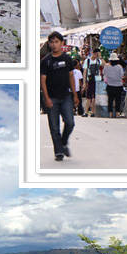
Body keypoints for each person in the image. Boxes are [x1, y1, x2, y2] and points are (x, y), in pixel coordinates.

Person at [40, 32, 79, 162]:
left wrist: (75, 95)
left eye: (57, 42)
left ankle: (63, 142)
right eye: (52, 42)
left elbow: (71, 77)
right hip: (52, 98)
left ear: (62, 43)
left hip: (66, 96)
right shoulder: (46, 61)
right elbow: (43, 81)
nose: (54, 44)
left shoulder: (67, 59)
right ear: (49, 44)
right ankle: (58, 152)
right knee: (54, 127)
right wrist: (46, 98)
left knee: (70, 122)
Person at [103, 53, 125, 118]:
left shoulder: (106, 67)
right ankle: (117, 113)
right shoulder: (119, 67)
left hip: (110, 86)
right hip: (118, 86)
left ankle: (110, 114)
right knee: (118, 100)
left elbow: (103, 73)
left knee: (110, 100)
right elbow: (122, 75)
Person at [82, 49, 102, 117]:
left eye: (97, 54)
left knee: (94, 97)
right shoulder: (87, 61)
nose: (96, 55)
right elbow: (85, 72)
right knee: (88, 97)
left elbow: (105, 65)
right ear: (92, 53)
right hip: (90, 80)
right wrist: (84, 82)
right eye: (95, 53)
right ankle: (86, 112)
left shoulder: (99, 60)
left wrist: (100, 57)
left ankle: (93, 112)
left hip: (98, 81)